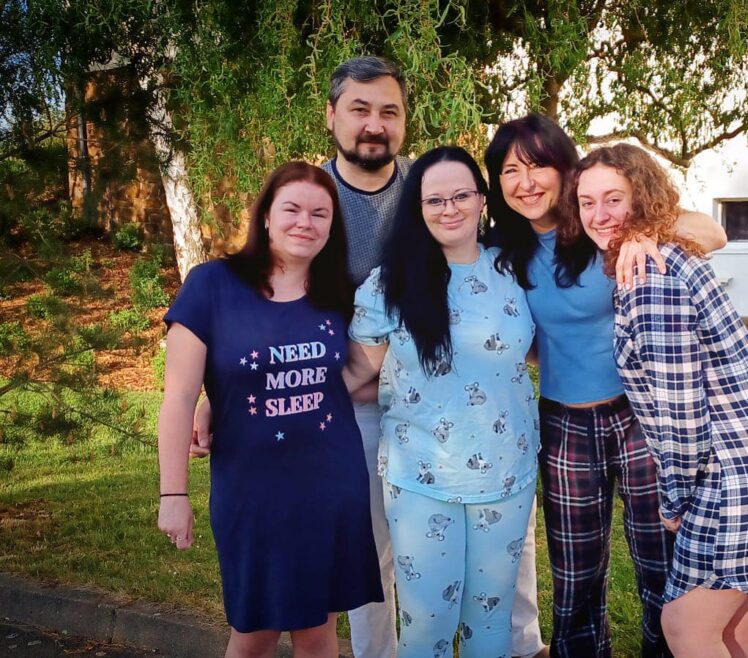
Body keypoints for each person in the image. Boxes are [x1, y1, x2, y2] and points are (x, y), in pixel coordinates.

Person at [193, 56, 547, 658]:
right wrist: (229, 397)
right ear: (332, 115)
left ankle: (521, 645)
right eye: (360, 109)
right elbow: (276, 303)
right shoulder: (314, 198)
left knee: (499, 589)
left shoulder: (434, 192)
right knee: (377, 561)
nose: (374, 124)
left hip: (488, 442)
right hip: (369, 410)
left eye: (389, 111)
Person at [564, 143, 748, 657]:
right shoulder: (670, 252)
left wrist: (674, 499)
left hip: (734, 476)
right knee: (733, 627)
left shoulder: (650, 279)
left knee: (685, 626)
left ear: (642, 196)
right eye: (587, 202)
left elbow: (680, 412)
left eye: (613, 199)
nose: (599, 215)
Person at [482, 113, 728, 658]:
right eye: (510, 171)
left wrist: (647, 233)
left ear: (564, 169)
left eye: (538, 166)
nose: (526, 182)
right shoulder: (500, 252)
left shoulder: (603, 227)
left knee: (662, 563)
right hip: (564, 425)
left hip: (638, 416)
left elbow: (715, 232)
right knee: (575, 577)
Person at [157, 161, 384, 658]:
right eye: (292, 209)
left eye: (320, 214)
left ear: (333, 226)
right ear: (265, 216)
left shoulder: (339, 296)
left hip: (331, 486)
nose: (305, 223)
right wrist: (173, 492)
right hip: (252, 492)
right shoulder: (211, 285)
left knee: (318, 632)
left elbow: (353, 380)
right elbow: (177, 398)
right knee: (254, 634)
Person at [343, 146, 539, 657]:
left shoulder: (514, 270)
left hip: (507, 475)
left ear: (482, 199)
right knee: (427, 627)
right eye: (434, 200)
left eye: (461, 196)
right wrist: (232, 406)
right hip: (420, 479)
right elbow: (355, 374)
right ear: (418, 207)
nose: (449, 209)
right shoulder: (389, 284)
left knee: (491, 624)